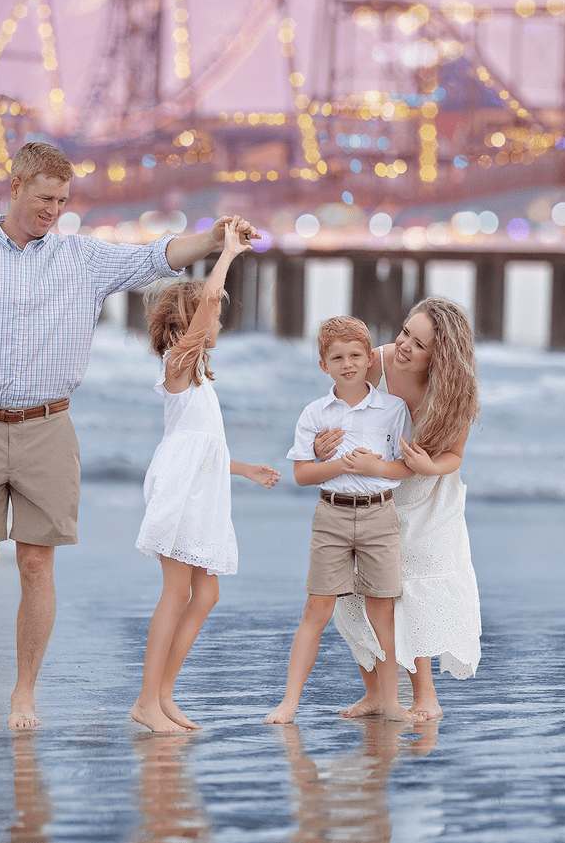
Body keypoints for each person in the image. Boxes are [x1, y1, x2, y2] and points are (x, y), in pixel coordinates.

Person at [0, 141, 253, 730]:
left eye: (62, 201)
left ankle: (24, 694)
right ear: (15, 187)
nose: (53, 209)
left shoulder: (81, 258)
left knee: (37, 566)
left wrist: (213, 240)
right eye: (45, 198)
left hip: (49, 426)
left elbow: (156, 257)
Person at [131, 218, 280, 733]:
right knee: (177, 590)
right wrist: (228, 254)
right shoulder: (177, 363)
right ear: (188, 321)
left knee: (207, 593)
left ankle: (163, 692)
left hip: (202, 486)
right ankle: (146, 700)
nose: (218, 322)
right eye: (209, 317)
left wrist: (243, 469)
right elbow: (211, 303)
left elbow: (203, 446)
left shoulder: (198, 380)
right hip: (180, 489)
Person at [322, 297, 482, 720]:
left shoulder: (455, 391)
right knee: (354, 587)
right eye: (405, 332)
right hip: (378, 487)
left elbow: (455, 456)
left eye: (420, 344)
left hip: (429, 496)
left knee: (408, 590)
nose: (404, 346)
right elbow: (341, 400)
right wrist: (323, 445)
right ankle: (375, 692)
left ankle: (425, 695)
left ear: (442, 357)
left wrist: (430, 465)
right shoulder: (378, 363)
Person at [265, 316, 417, 725]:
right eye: (337, 357)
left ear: (370, 359)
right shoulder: (315, 414)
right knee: (317, 608)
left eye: (355, 355)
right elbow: (300, 475)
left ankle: (390, 702)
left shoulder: (393, 409)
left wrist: (372, 466)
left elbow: (406, 468)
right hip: (331, 516)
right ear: (323, 365)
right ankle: (289, 703)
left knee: (382, 611)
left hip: (379, 515)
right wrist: (335, 465)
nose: (347, 363)